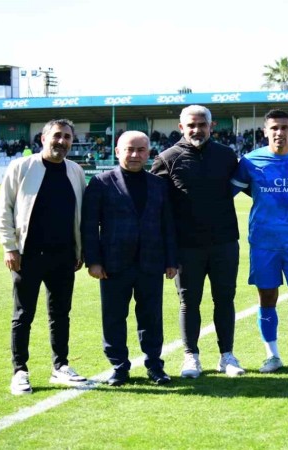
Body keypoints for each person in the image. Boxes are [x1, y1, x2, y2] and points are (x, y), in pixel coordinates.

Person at [149, 105, 245, 379]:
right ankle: (191, 356)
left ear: (211, 126)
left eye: (202, 125)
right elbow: (156, 206)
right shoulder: (167, 158)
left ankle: (227, 356)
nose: (196, 130)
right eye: (191, 125)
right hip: (186, 247)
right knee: (189, 302)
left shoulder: (227, 156)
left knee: (224, 299)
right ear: (181, 127)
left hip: (225, 242)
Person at [0, 119, 87, 395]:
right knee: (23, 315)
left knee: (61, 314)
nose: (62, 141)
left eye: (67, 137)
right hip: (28, 255)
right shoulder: (21, 167)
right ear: (43, 138)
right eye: (57, 135)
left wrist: (80, 250)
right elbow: (4, 208)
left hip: (64, 256)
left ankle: (61, 367)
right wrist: (9, 247)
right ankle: (19, 371)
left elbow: (80, 214)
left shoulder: (75, 170)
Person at [82, 131, 178, 387]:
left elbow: (168, 225)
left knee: (151, 318)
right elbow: (89, 225)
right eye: (129, 149)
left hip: (151, 262)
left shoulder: (159, 185)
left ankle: (155, 366)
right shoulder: (101, 182)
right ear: (117, 152)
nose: (135, 155)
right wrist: (94, 261)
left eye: (141, 150)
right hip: (113, 265)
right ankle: (119, 367)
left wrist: (171, 260)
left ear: (149, 153)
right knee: (113, 318)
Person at [231, 109, 288, 374]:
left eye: (284, 127)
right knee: (267, 297)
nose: (279, 132)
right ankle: (272, 356)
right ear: (265, 131)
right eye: (274, 128)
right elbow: (227, 193)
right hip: (263, 242)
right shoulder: (250, 161)